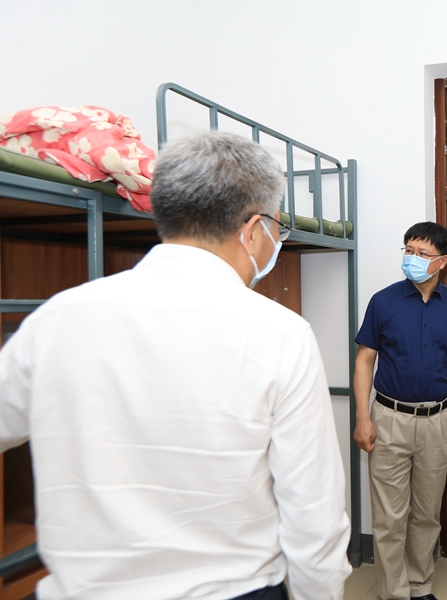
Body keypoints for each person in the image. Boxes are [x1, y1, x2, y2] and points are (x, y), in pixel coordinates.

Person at [0, 131, 351, 600]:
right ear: (253, 230)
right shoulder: (279, 333)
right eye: (276, 230)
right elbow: (312, 508)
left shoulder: (58, 316)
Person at [354, 222, 447, 600]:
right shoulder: (383, 301)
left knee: (426, 513)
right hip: (388, 419)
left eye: (422, 253)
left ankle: (420, 585)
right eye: (408, 250)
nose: (412, 258)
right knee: (389, 516)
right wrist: (362, 417)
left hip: (438, 420)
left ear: (441, 262)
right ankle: (393, 592)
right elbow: (365, 361)